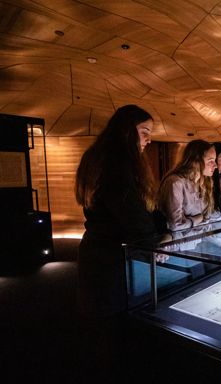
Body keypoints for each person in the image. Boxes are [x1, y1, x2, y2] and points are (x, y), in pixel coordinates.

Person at [74, 104, 158, 382]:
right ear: (126, 130)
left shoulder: (99, 158)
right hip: (108, 261)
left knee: (103, 332)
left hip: (100, 255)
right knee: (110, 335)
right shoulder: (116, 164)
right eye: (144, 132)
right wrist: (159, 231)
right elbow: (134, 217)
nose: (148, 139)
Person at [157, 140, 216, 232]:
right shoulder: (175, 182)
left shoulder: (204, 182)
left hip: (197, 241)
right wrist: (198, 219)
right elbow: (176, 225)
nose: (215, 165)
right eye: (211, 161)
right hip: (179, 244)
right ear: (196, 161)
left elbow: (206, 218)